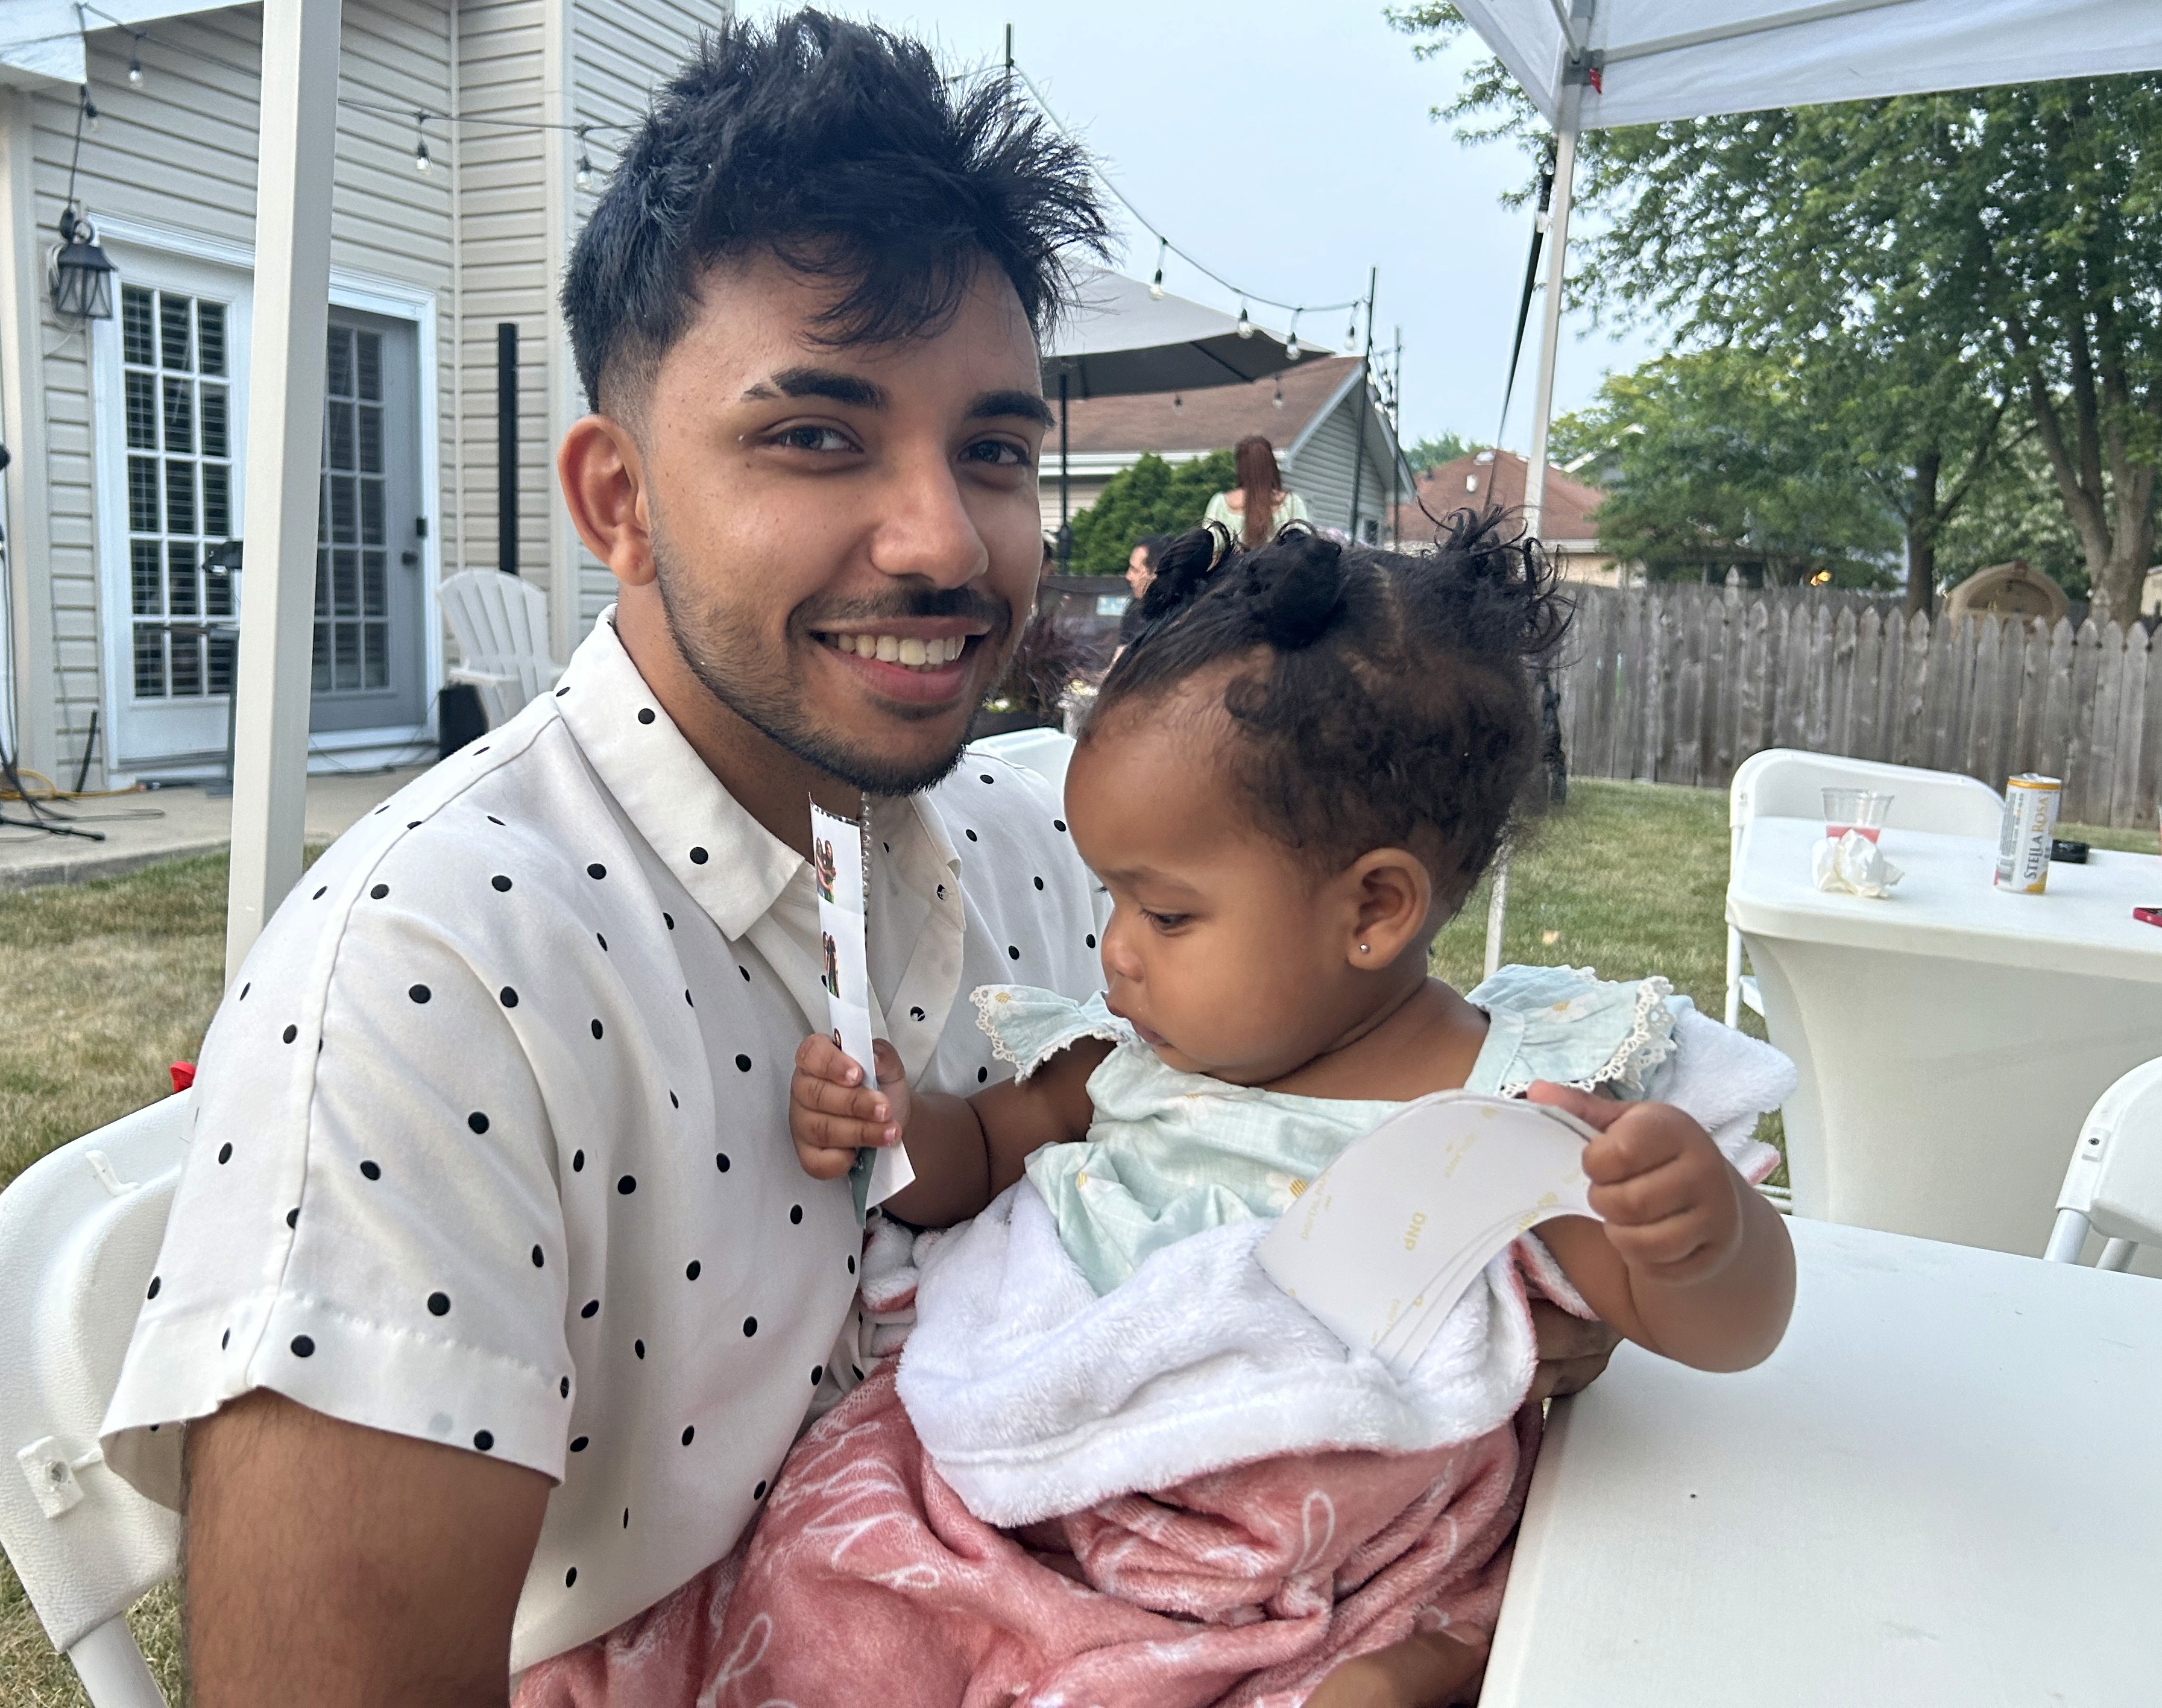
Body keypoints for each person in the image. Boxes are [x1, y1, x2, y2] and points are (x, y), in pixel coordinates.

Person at [98, 11, 1617, 1701]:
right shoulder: (430, 988)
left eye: (991, 449)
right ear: (616, 502)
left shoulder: (1050, 839)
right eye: (817, 436)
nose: (946, 539)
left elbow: (1360, 1126)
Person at [719, 520, 1795, 1708]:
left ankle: (1418, 1667)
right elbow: (971, 1158)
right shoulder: (1121, 1064)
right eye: (1113, 899)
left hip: (1346, 1556)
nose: (1116, 951)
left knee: (1469, 1609)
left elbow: (1717, 1333)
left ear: (1373, 910)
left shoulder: (1501, 1118)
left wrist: (1704, 1239)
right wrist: (891, 1126)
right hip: (1043, 1511)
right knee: (844, 1590)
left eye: (1167, 915)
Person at [1204, 432, 1310, 546]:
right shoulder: (1292, 503)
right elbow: (1305, 547)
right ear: (1271, 464)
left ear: (1240, 466)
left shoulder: (1221, 503)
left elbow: (1211, 547)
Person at [1114, 529, 1168, 649]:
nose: (1128, 576)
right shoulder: (1135, 608)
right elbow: (1120, 656)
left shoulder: (1179, 614)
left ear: (1155, 574)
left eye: (1135, 570)